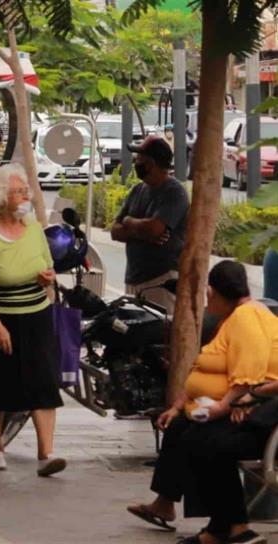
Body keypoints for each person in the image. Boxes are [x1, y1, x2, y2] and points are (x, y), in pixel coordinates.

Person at [126, 261, 278, 544]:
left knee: (201, 441)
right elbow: (205, 369)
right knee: (180, 424)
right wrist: (180, 403)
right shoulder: (233, 318)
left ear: (212, 291)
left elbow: (248, 374)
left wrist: (226, 405)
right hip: (236, 404)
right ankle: (178, 508)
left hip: (255, 412)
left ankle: (230, 527)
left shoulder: (247, 317)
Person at [0, 163, 65, 477]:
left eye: (25, 192)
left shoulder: (33, 228)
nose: (24, 197)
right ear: (2, 198)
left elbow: (48, 267)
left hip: (36, 318)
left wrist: (48, 277)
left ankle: (46, 453)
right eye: (18, 192)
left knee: (44, 383)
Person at [111, 135, 189, 312]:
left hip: (161, 281)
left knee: (159, 332)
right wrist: (142, 232)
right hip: (133, 278)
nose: (136, 162)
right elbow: (115, 231)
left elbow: (155, 229)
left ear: (151, 164)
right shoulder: (138, 190)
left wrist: (129, 222)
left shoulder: (175, 192)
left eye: (139, 159)